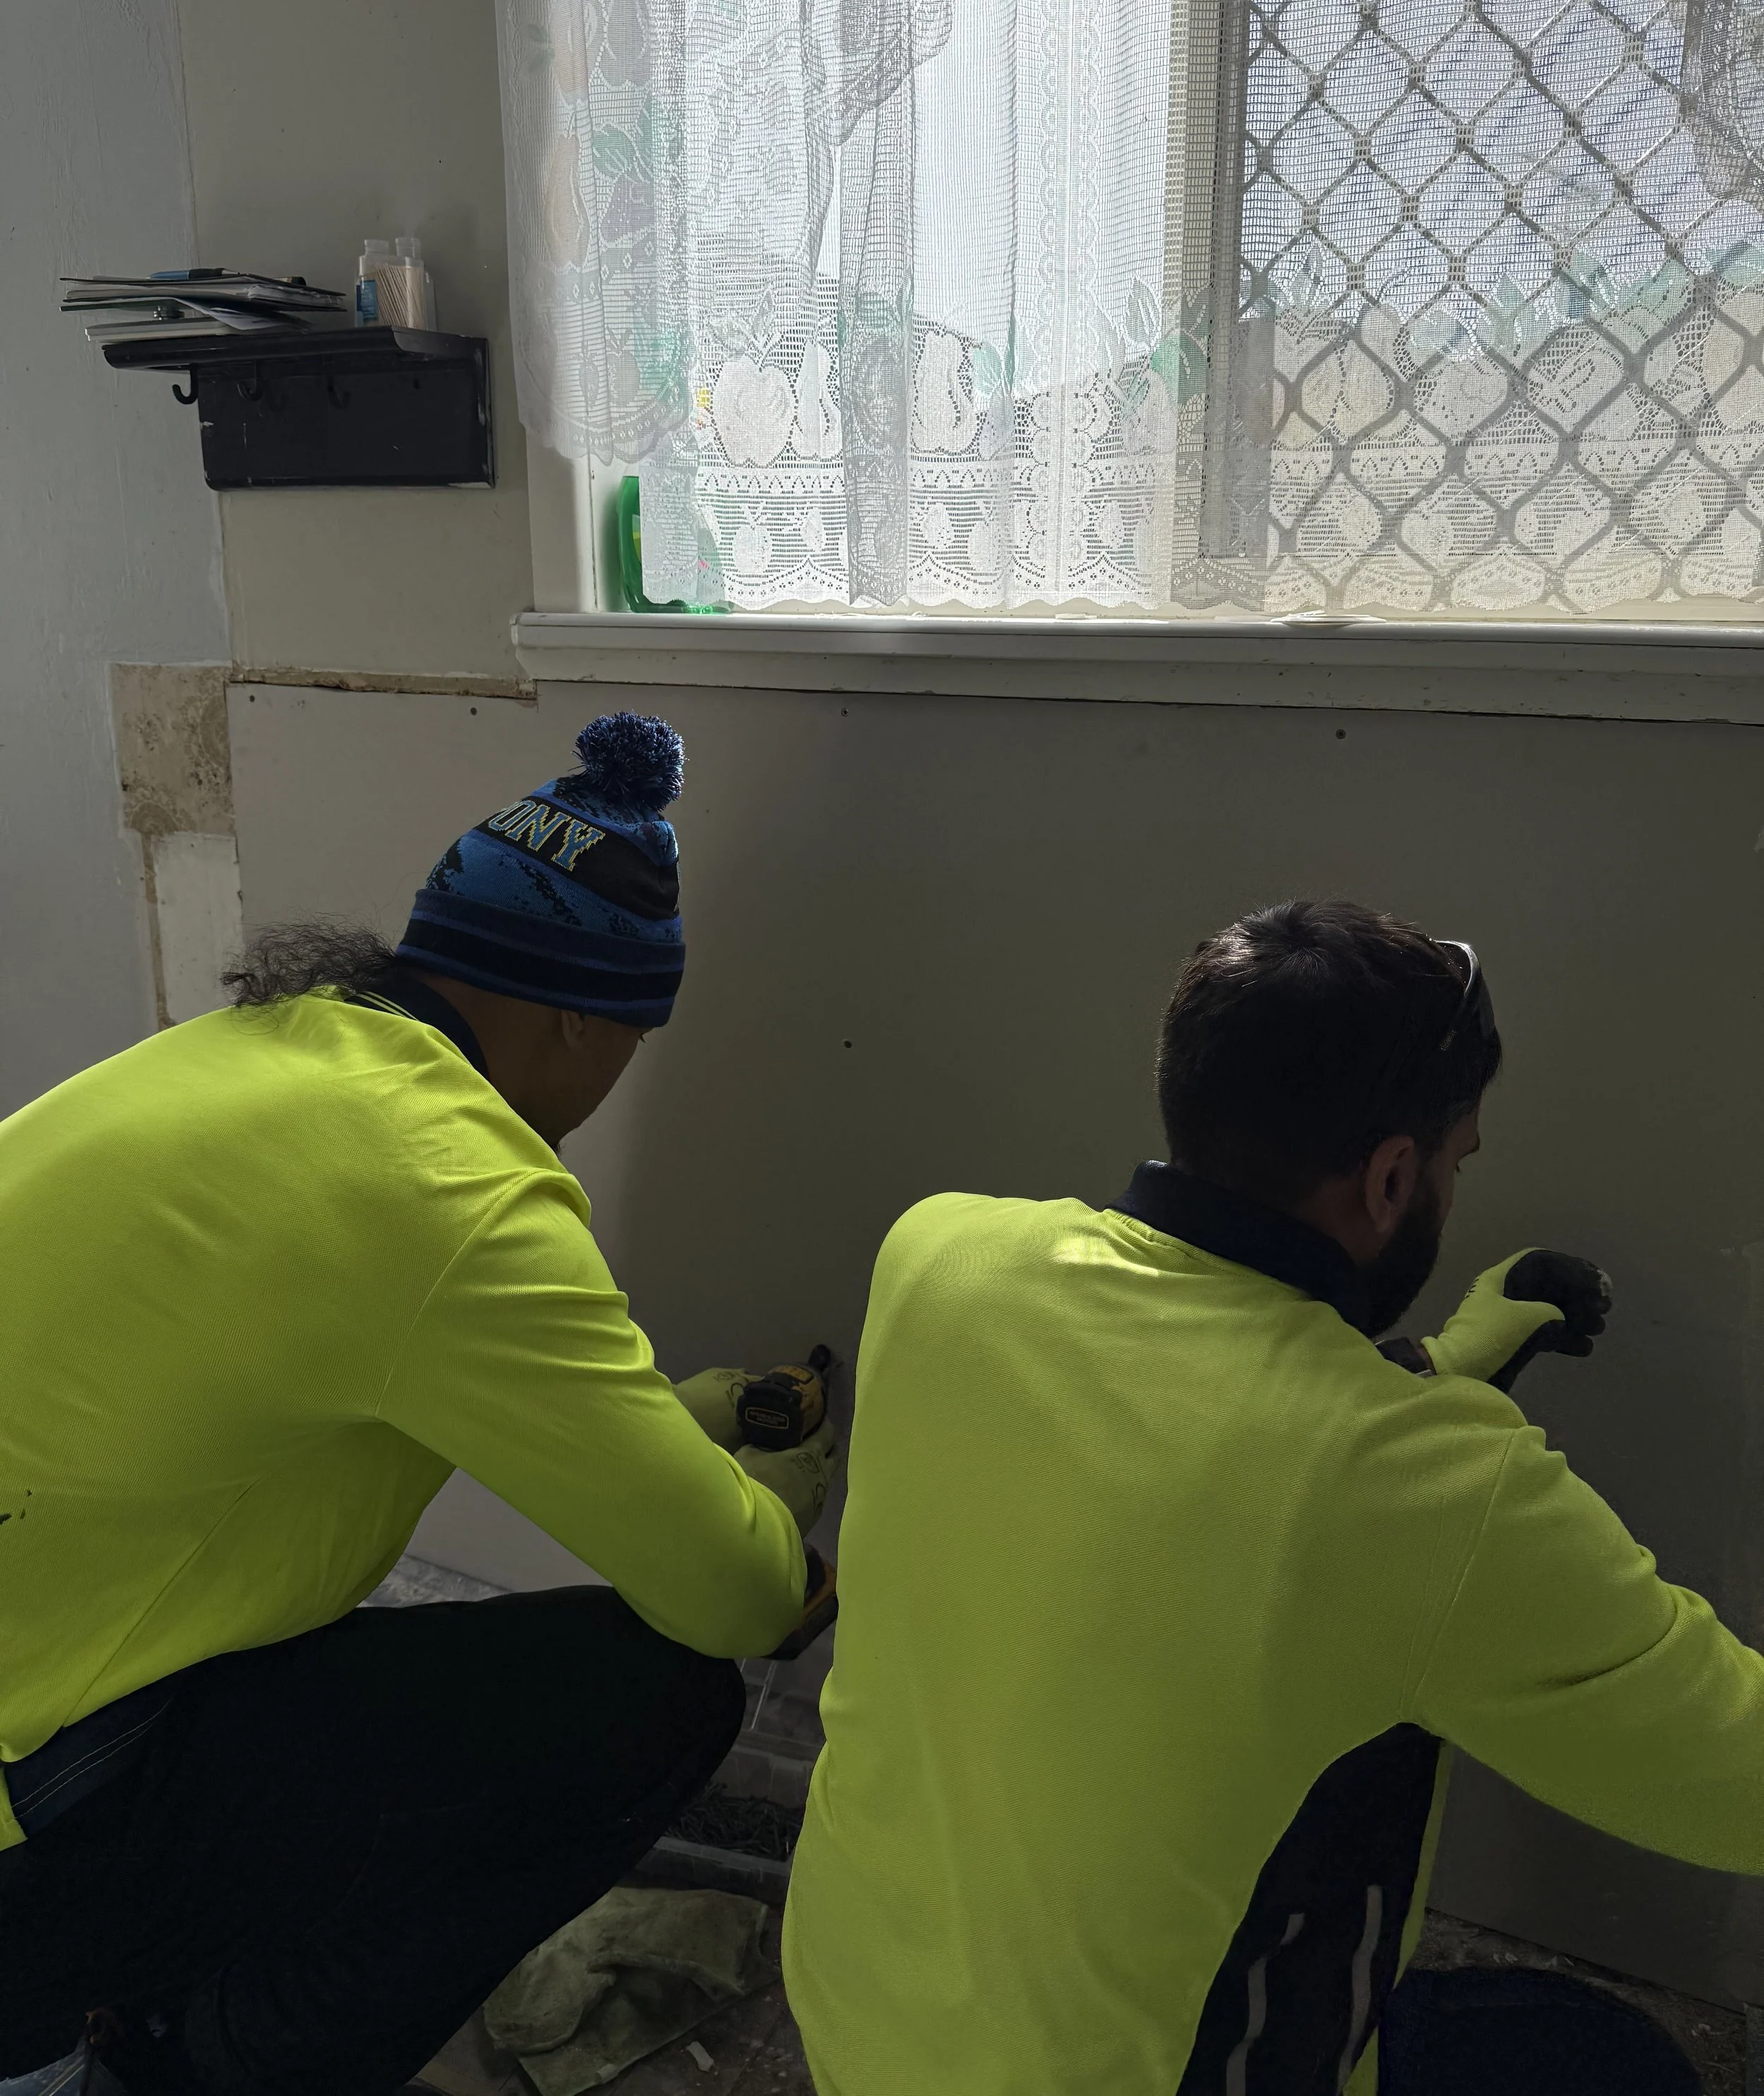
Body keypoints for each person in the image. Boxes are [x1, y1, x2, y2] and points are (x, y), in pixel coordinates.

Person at [784, 898, 1764, 2096]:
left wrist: (1445, 1365)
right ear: (1394, 1177)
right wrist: (1442, 1413)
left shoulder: (941, 1257)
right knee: (1623, 2068)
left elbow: (1192, 1448)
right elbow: (1739, 1782)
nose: (1453, 1192)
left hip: (858, 2021)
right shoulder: (1438, 1491)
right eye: (1456, 1165)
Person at [0, 712, 836, 2096]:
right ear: (581, 1019)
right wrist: (775, 1511)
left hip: (41, 1653)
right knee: (652, 1698)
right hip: (30, 1825)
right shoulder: (451, 1187)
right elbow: (736, 1601)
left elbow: (343, 1403)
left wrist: (657, 1416)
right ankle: (192, 2058)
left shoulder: (233, 1061)